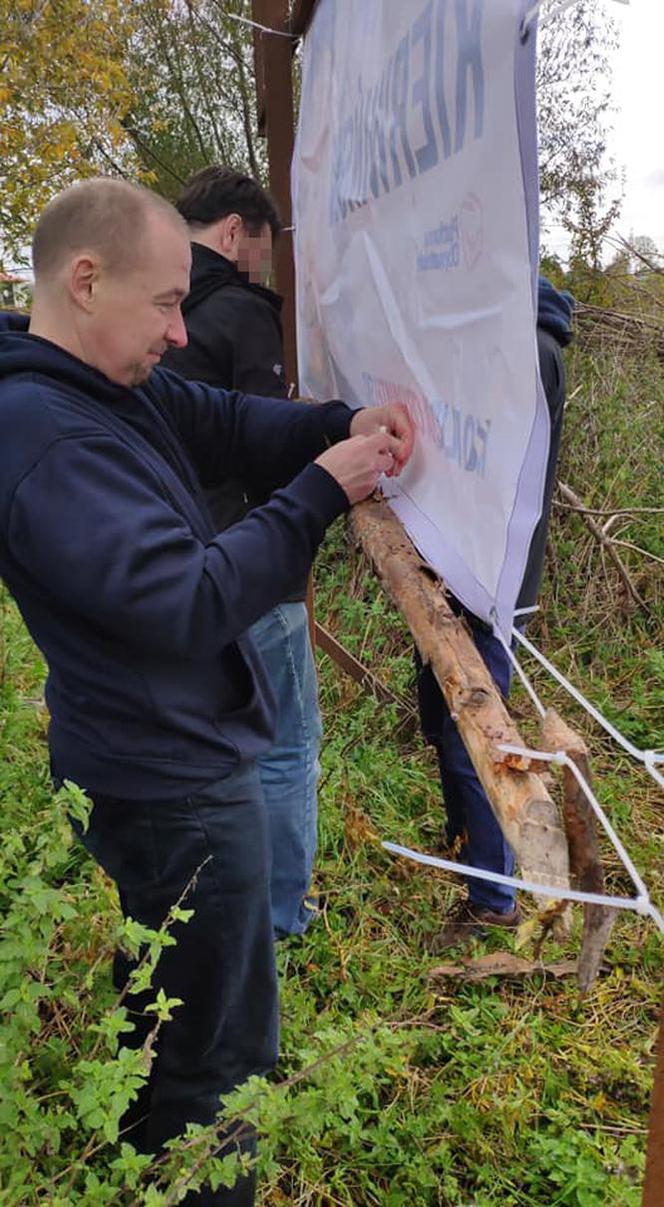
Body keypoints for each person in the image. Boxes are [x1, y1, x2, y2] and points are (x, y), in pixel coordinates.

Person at [0, 177, 414, 1205]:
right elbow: (187, 601)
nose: (181, 334)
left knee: (175, 1004)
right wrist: (324, 488)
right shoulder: (43, 433)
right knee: (222, 1054)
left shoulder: (101, 380)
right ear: (85, 281)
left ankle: (141, 1145)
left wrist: (335, 422)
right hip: (170, 779)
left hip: (159, 752)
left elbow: (224, 423)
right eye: (167, 304)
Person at [163, 165, 321, 939]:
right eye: (260, 249)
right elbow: (262, 448)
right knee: (288, 747)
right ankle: (283, 917)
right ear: (233, 233)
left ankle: (226, 904)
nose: (262, 265)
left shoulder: (155, 314)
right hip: (252, 567)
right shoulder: (242, 313)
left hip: (180, 564)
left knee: (225, 748)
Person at [417, 276, 574, 951]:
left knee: (477, 736)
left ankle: (492, 897)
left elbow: (493, 465)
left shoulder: (532, 350)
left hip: (492, 581)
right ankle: (466, 844)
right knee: (440, 709)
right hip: (467, 570)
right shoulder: (516, 345)